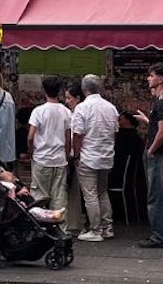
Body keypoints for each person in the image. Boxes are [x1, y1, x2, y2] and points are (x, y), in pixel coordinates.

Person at [135, 62, 163, 249]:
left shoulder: (161, 102)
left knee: (157, 196)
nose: (148, 78)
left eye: (151, 75)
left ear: (160, 79)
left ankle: (159, 235)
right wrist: (147, 120)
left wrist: (151, 150)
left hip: (160, 155)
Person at [72, 73, 119, 243]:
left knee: (90, 194)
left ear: (84, 89)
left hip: (88, 156)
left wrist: (76, 154)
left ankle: (95, 229)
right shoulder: (111, 108)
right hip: (106, 156)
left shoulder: (82, 108)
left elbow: (78, 135)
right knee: (102, 192)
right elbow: (114, 134)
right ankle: (108, 227)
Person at [28, 76, 72, 214]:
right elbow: (68, 138)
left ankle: (40, 228)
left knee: (39, 196)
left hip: (41, 159)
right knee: (59, 196)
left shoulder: (38, 111)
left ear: (44, 91)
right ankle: (61, 230)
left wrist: (31, 152)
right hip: (60, 160)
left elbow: (30, 136)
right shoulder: (66, 112)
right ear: (59, 91)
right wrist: (66, 156)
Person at [63, 81, 85, 237]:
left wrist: (74, 155)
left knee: (72, 191)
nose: (66, 101)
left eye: (69, 98)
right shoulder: (72, 113)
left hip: (74, 157)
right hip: (83, 156)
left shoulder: (76, 114)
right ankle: (75, 222)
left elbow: (74, 136)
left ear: (77, 98)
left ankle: (73, 223)